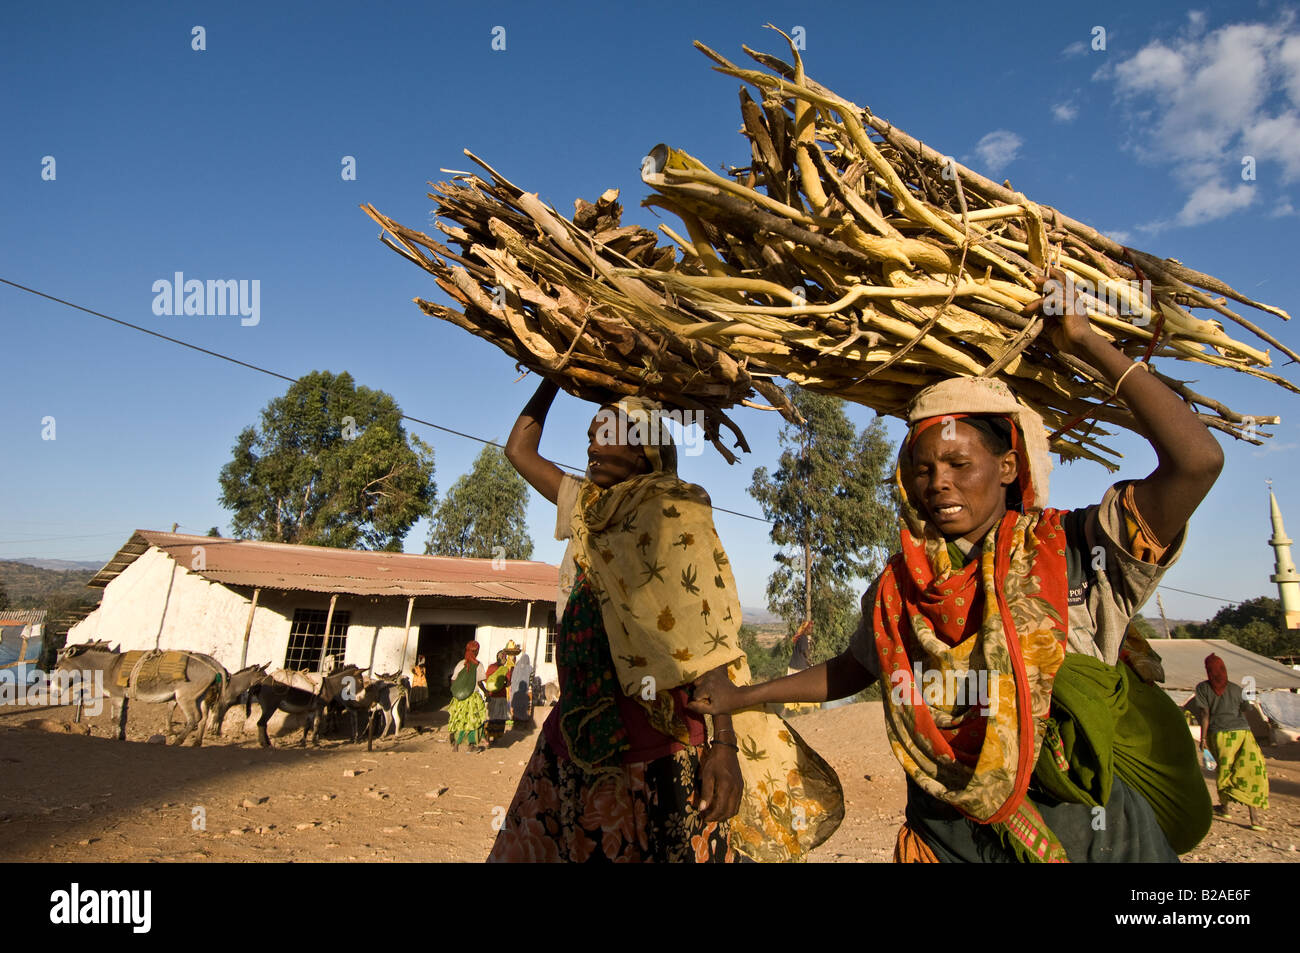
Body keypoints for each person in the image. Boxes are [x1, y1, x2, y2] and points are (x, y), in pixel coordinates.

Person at [690, 268, 1220, 863]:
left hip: (1089, 837)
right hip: (949, 837)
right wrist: (743, 696)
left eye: (959, 463)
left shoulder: (1075, 549)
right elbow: (856, 668)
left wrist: (1086, 342)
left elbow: (1196, 462)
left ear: (1008, 467)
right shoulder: (900, 586)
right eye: (922, 467)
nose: (938, 481)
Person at [487, 383, 843, 862]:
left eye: (608, 432)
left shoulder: (678, 513)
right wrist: (552, 375)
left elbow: (708, 635)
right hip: (578, 737)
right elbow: (519, 450)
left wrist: (724, 745)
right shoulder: (587, 507)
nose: (592, 444)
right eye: (590, 434)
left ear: (646, 449)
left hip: (663, 744)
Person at [1192, 653, 1269, 830]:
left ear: (1208, 671)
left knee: (1225, 771)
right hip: (1243, 734)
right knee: (1249, 771)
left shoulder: (1203, 688)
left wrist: (1203, 738)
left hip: (1219, 735)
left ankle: (1224, 807)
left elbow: (1205, 714)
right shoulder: (1236, 688)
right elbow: (1246, 709)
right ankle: (1254, 818)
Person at [447, 641, 487, 752]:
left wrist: (455, 693)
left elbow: (453, 680)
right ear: (477, 651)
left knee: (459, 720)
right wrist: (486, 692)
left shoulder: (460, 664)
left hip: (459, 699)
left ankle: (456, 745)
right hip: (472, 697)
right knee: (473, 721)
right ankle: (471, 745)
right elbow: (479, 682)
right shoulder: (478, 665)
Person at [484, 649, 514, 744]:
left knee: (490, 716)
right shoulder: (505, 670)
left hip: (491, 695)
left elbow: (486, 680)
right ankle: (496, 738)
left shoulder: (491, 667)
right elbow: (508, 683)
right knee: (499, 717)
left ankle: (488, 737)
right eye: (505, 658)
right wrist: (502, 685)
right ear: (503, 659)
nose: (505, 660)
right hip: (501, 696)